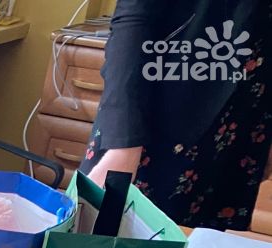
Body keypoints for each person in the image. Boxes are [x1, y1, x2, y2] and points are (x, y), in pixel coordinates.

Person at [83, 0, 271, 229]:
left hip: (243, 123)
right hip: (156, 119)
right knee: (107, 233)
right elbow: (133, 21)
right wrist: (123, 145)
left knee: (202, 245)